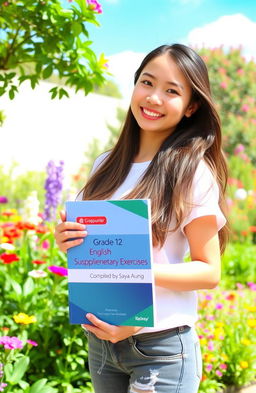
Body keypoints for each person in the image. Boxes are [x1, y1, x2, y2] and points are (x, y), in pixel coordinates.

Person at [54, 43, 228, 393]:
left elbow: (209, 272)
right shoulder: (105, 165)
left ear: (192, 106)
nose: (154, 98)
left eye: (172, 91)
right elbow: (95, 253)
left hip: (161, 351)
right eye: (147, 83)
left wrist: (136, 272)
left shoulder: (192, 171)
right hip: (102, 344)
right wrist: (69, 242)